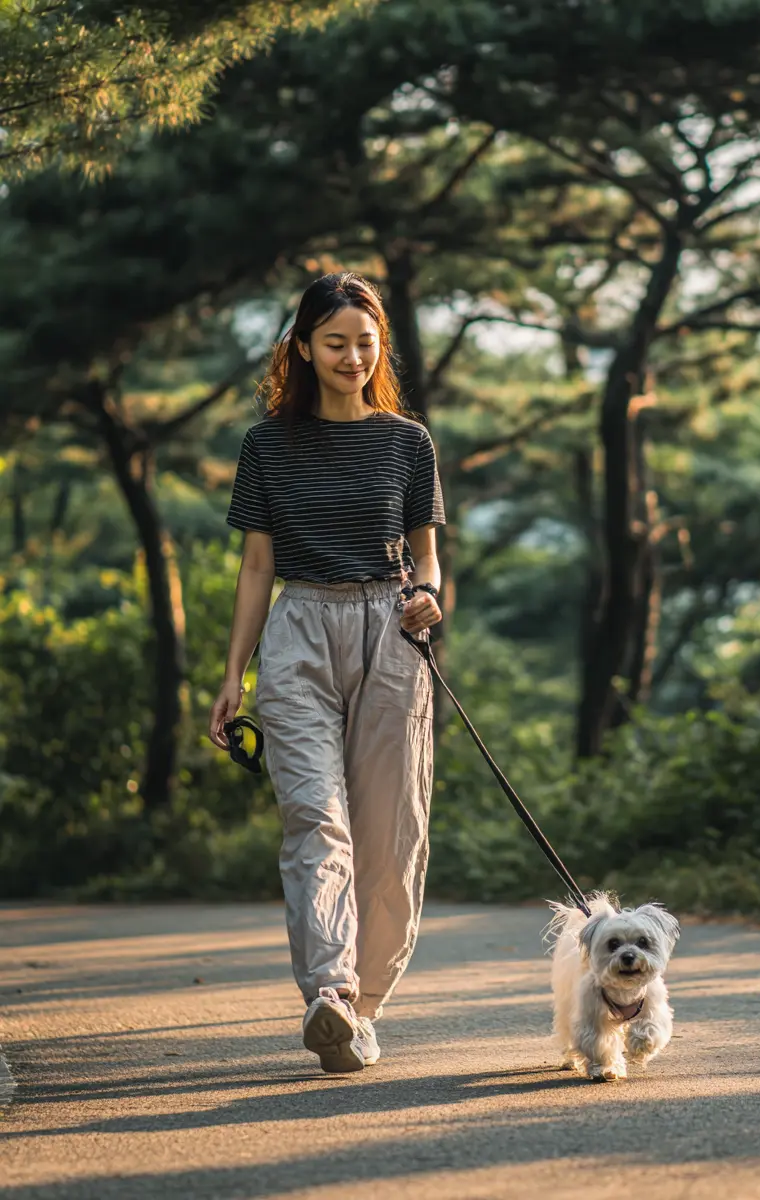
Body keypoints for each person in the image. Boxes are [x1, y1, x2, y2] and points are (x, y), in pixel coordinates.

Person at [208, 272, 444, 1073]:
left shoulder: (407, 442)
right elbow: (254, 569)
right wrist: (233, 676)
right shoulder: (267, 444)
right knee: (315, 818)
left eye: (365, 343)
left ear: (381, 348)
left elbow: (429, 562)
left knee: (391, 834)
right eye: (335, 342)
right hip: (299, 629)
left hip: (389, 630)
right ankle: (330, 994)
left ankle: (365, 1008)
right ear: (302, 347)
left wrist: (430, 602)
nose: (352, 357)